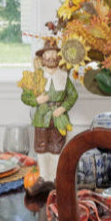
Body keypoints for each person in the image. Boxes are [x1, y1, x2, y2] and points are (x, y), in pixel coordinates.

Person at [19, 39, 78, 182]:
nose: (51, 57)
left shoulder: (64, 76)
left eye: (54, 54)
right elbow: (25, 96)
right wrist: (36, 101)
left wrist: (63, 107)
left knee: (57, 146)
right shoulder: (36, 76)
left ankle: (55, 178)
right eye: (48, 54)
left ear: (58, 57)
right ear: (42, 58)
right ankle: (44, 177)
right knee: (41, 146)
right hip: (42, 118)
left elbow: (73, 95)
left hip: (59, 119)